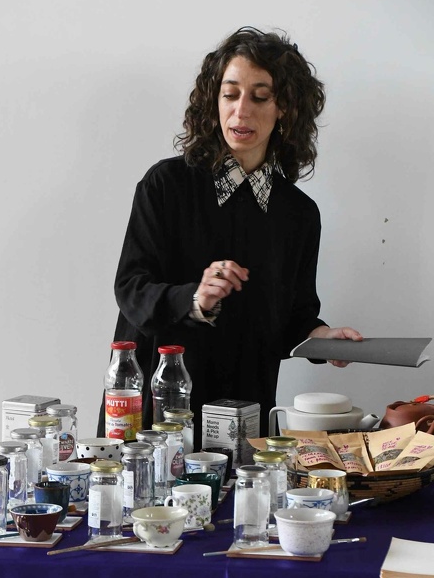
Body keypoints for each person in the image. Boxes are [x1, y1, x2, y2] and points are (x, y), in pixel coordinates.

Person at [98, 26, 362, 445]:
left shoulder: (298, 214)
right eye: (230, 94)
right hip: (158, 411)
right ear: (213, 100)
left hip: (245, 409)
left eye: (260, 97)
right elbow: (131, 289)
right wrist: (194, 298)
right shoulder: (166, 185)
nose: (241, 111)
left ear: (285, 108)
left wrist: (320, 338)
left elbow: (292, 317)